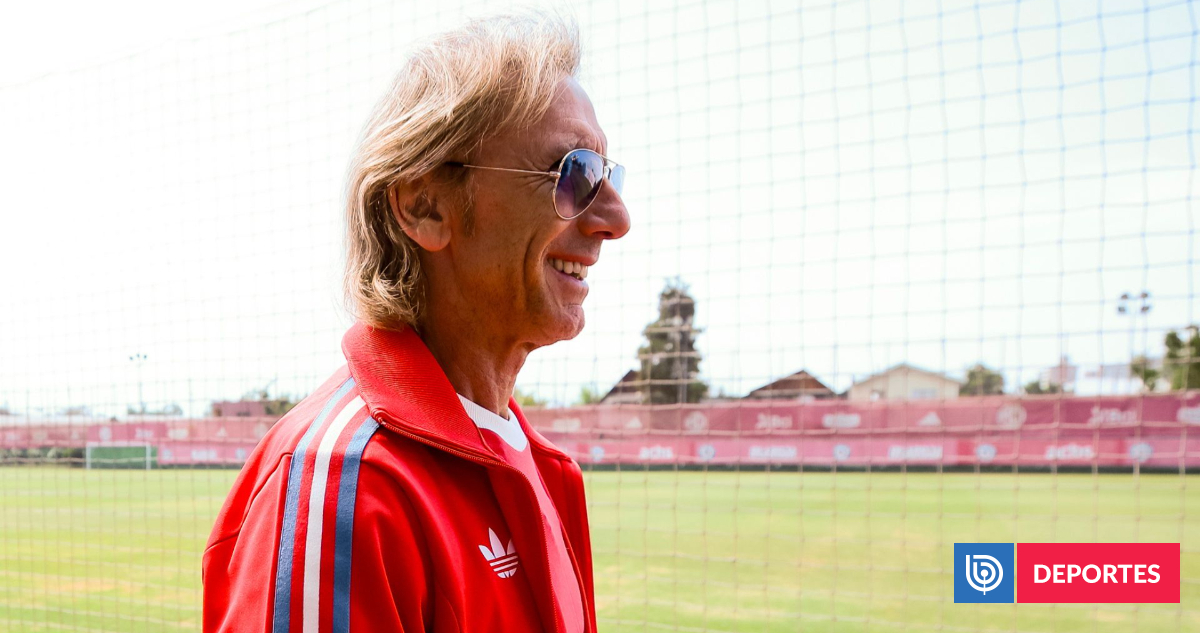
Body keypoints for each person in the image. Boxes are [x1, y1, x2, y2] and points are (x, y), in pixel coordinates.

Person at [201, 11, 630, 633]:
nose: (616, 218)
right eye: (574, 173)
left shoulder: (543, 468)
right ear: (425, 206)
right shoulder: (345, 488)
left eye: (608, 175)